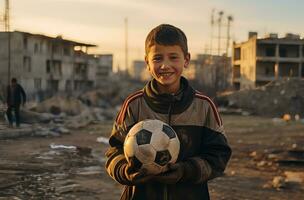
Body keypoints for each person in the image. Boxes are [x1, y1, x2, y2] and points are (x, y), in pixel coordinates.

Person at [105, 24, 232, 200]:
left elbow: (219, 155)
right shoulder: (134, 105)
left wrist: (186, 171)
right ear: (147, 63)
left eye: (173, 57)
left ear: (186, 60)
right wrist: (124, 171)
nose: (165, 65)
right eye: (157, 58)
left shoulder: (203, 106)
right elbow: (114, 151)